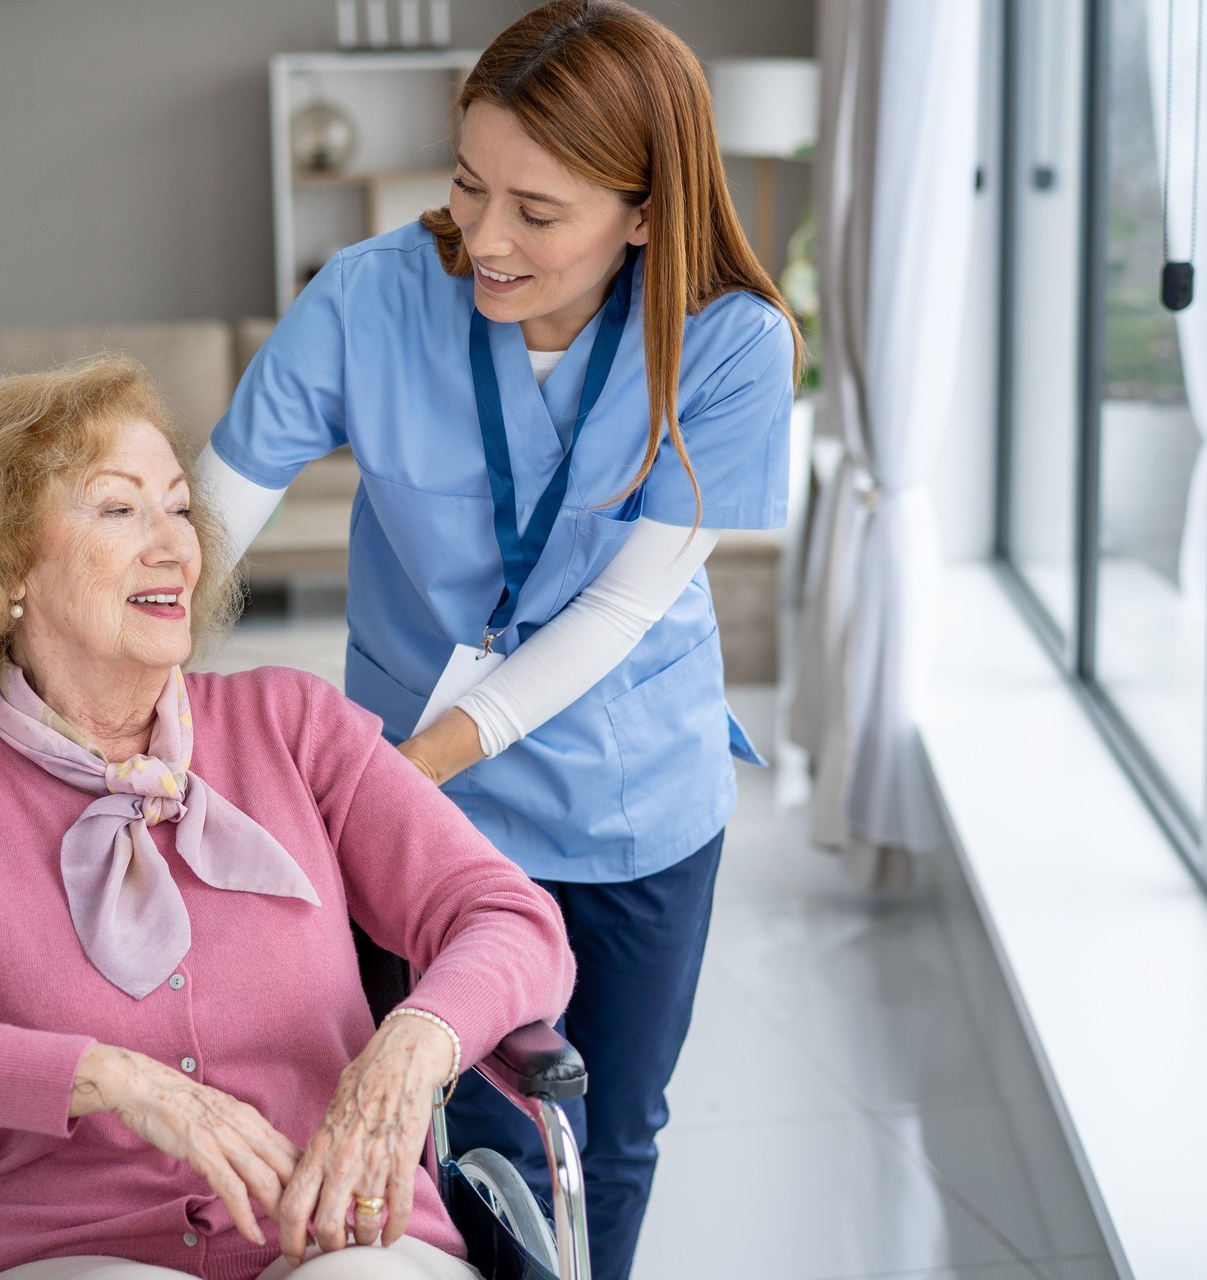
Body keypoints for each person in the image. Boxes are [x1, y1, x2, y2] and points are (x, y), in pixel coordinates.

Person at [198, 4, 803, 1276]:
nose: (483, 237)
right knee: (448, 1122)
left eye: (540, 210)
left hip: (625, 798)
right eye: (469, 186)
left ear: (645, 211)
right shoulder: (370, 295)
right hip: (416, 802)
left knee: (610, 1125)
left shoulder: (730, 343)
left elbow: (618, 611)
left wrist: (391, 774)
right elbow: (207, 521)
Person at [0, 357, 576, 1280]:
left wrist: (415, 1045)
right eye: (118, 509)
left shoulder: (291, 725)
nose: (175, 547)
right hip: (65, 1245)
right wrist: (101, 1078)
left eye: (179, 509)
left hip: (342, 1228)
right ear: (3, 564)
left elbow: (512, 918)